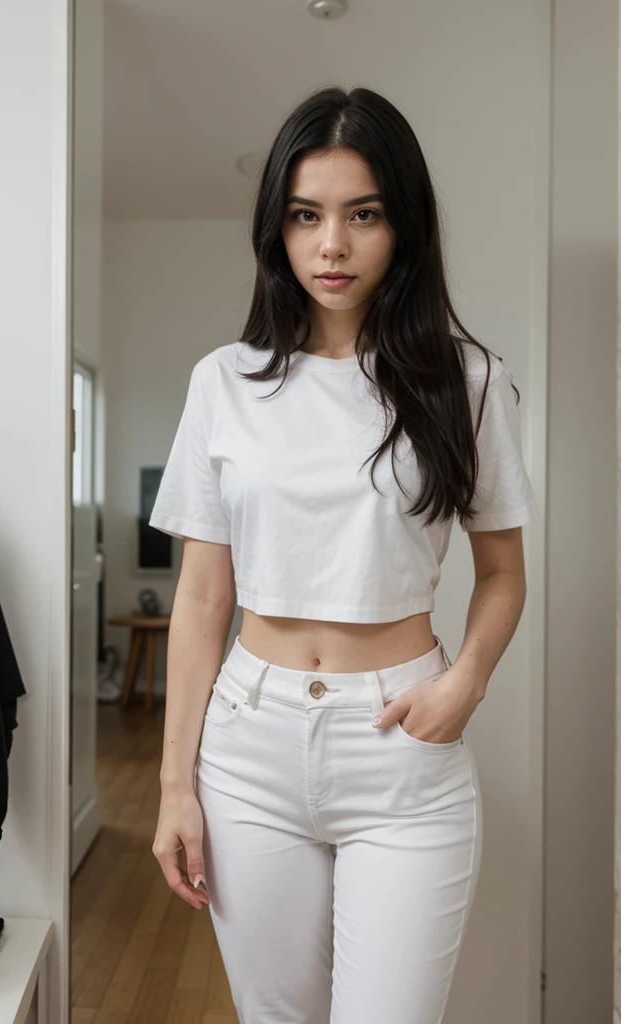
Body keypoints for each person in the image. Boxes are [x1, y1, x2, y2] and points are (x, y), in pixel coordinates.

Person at [148, 84, 539, 1024]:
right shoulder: (225, 382)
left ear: (402, 224)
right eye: (305, 215)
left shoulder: (467, 382)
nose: (332, 245)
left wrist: (465, 685)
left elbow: (502, 575)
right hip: (248, 746)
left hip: (402, 745)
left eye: (362, 214)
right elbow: (204, 597)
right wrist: (173, 787)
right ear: (276, 230)